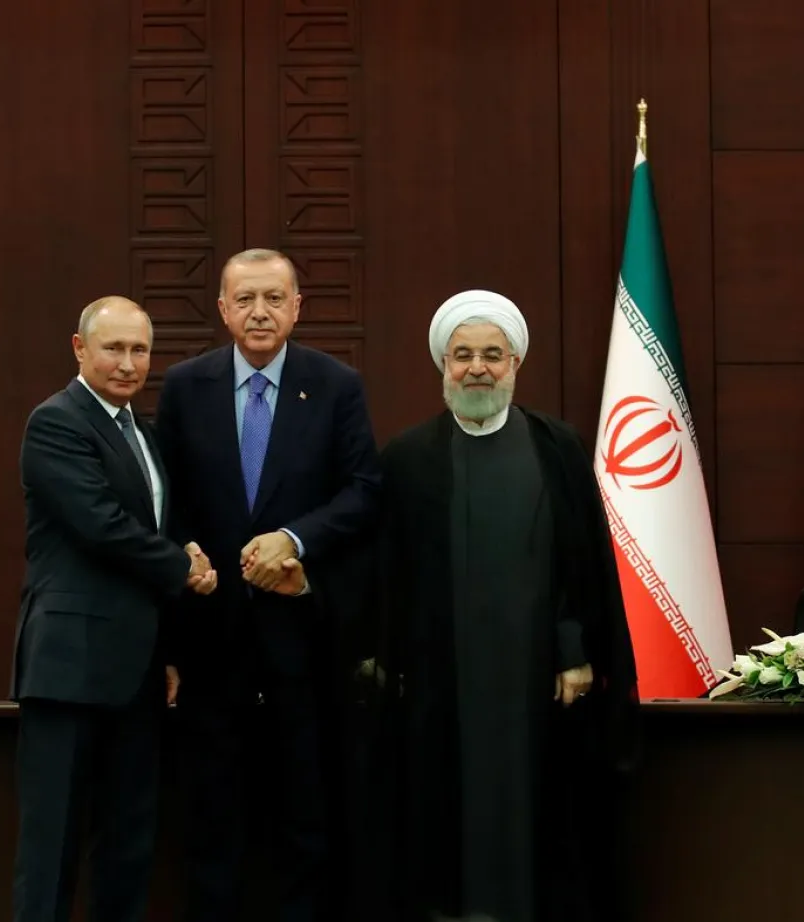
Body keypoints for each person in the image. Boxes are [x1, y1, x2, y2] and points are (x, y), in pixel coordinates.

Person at [364, 289, 640, 922]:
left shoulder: (557, 448)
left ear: (516, 363)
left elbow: (583, 565)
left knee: (541, 814)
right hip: (442, 684)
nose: (477, 369)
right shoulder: (408, 459)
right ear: (443, 366)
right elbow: (387, 574)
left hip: (538, 681)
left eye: (493, 355)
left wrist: (574, 651)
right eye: (462, 356)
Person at [154, 248, 382, 922]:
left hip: (303, 643)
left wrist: (297, 540)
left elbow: (365, 492)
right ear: (222, 308)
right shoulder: (184, 385)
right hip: (210, 642)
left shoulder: (336, 384)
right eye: (245, 299)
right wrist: (182, 559)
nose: (260, 312)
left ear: (297, 307)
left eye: (274, 298)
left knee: (305, 819)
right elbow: (165, 501)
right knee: (212, 821)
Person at [11, 296, 219, 922]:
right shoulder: (56, 422)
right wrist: (183, 566)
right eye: (113, 348)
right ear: (80, 349)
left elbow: (150, 526)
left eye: (139, 351)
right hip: (69, 669)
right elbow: (100, 526)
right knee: (53, 845)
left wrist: (172, 646)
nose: (129, 363)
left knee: (128, 843)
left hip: (137, 671)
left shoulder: (144, 434)